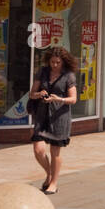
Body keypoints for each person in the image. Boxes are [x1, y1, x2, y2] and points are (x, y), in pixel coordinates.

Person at [30, 46, 77, 194]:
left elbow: (73, 99)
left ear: (63, 62)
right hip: (42, 114)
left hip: (59, 116)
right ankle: (49, 173)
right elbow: (32, 94)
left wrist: (59, 99)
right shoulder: (42, 72)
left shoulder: (68, 76)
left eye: (57, 62)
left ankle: (53, 183)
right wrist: (39, 94)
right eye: (52, 62)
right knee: (38, 149)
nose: (54, 65)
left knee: (55, 151)